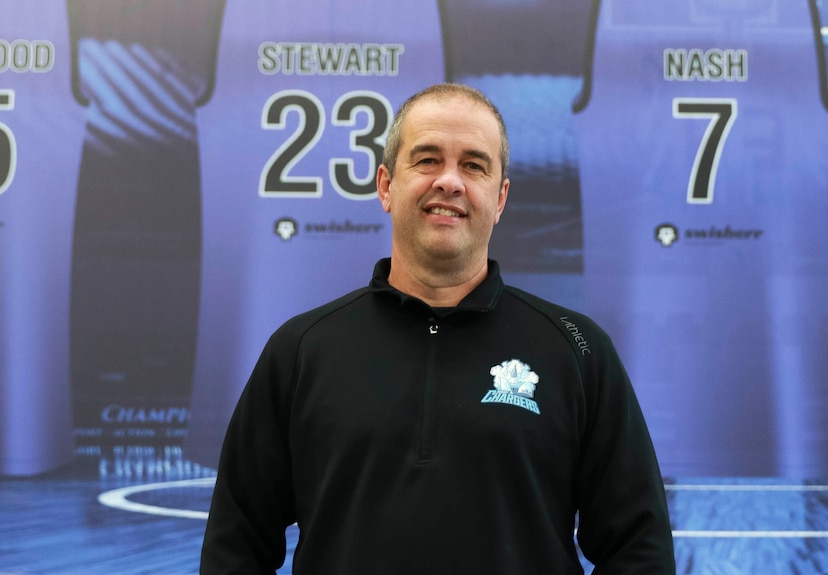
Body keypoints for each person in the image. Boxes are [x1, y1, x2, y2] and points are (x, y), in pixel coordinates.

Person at [200, 83, 675, 574]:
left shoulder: (578, 351)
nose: (449, 181)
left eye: (474, 165)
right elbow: (235, 545)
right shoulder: (300, 350)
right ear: (386, 185)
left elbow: (639, 547)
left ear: (500, 197)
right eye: (427, 160)